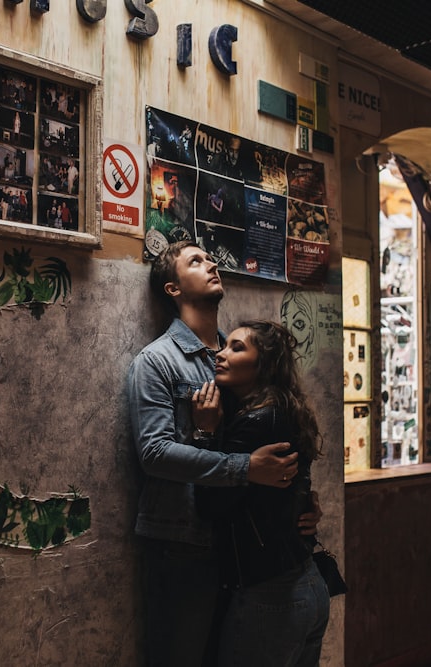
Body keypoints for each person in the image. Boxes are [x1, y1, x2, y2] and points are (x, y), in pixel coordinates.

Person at [127, 241, 321, 667]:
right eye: (195, 261)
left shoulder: (236, 356)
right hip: (182, 544)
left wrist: (302, 500)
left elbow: (279, 432)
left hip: (237, 548)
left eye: (210, 257)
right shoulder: (157, 362)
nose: (212, 262)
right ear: (173, 289)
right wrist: (245, 468)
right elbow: (155, 453)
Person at [192, 321, 329, 667]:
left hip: (271, 595)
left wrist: (205, 435)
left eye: (237, 348)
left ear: (263, 364)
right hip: (307, 585)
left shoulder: (257, 421)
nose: (220, 354)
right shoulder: (286, 409)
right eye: (225, 346)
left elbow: (209, 505)